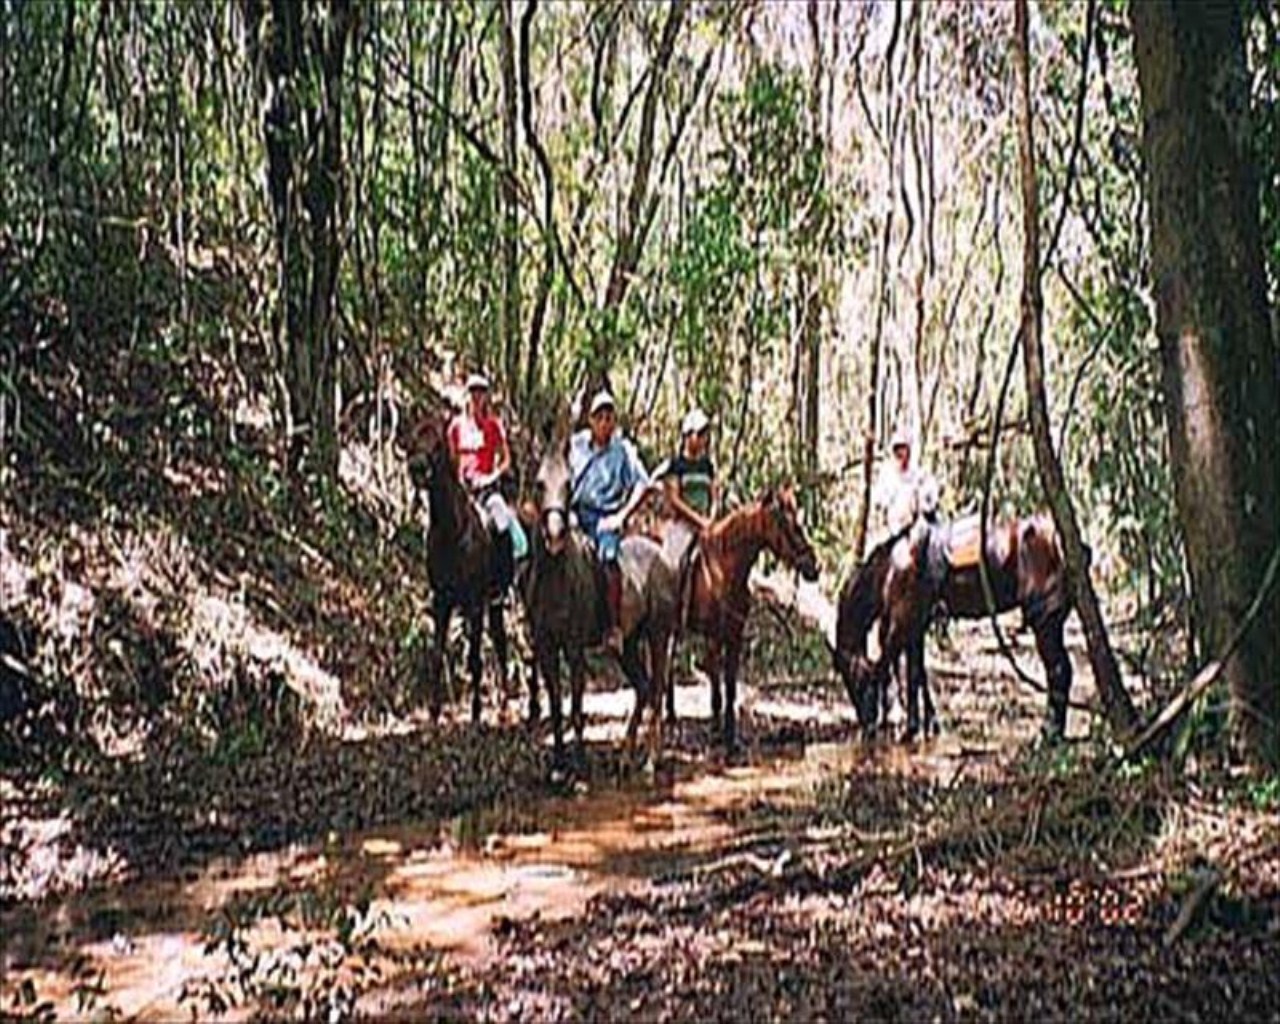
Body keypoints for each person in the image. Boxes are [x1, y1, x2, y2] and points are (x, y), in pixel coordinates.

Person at [569, 389, 656, 654]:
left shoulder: (623, 451)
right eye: (599, 417)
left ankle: (611, 627)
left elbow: (644, 484)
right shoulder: (576, 444)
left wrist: (622, 516)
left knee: (607, 558)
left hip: (605, 518)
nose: (605, 422)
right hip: (574, 512)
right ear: (591, 420)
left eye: (609, 417)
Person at [446, 372, 528, 572]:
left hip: (486, 491)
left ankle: (504, 574)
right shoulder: (456, 427)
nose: (476, 397)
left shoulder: (493, 426)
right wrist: (457, 480)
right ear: (467, 395)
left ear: (485, 397)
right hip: (462, 491)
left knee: (501, 522)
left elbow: (506, 459)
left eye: (480, 393)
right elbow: (451, 459)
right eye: (473, 392)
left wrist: (491, 476)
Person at [661, 407, 719, 563]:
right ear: (687, 436)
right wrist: (698, 520)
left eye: (704, 435)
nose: (702, 439)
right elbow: (675, 500)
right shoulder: (677, 465)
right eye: (699, 434)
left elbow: (714, 496)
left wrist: (711, 518)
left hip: (707, 525)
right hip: (683, 525)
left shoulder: (707, 466)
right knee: (673, 566)